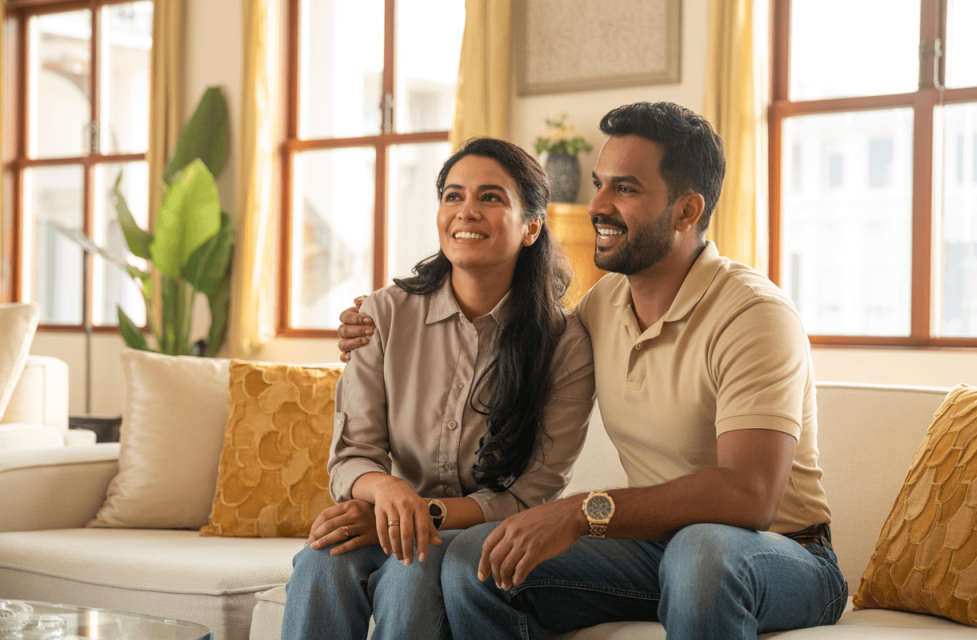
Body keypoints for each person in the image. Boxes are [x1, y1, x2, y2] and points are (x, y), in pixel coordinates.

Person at [338, 102, 846, 639]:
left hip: (782, 555)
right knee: (476, 558)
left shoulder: (752, 313)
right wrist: (370, 332)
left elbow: (750, 495)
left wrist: (583, 511)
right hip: (655, 550)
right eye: (600, 184)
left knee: (702, 553)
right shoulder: (602, 308)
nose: (598, 204)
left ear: (686, 211)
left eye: (625, 189)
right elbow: (513, 339)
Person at [281, 137, 596, 640]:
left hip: (481, 535)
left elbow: (532, 493)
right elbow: (352, 454)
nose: (466, 211)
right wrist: (385, 491)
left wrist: (415, 513)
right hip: (386, 513)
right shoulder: (382, 314)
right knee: (323, 560)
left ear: (532, 227)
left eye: (491, 198)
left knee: (414, 567)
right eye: (453, 196)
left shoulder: (563, 343)